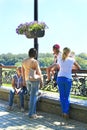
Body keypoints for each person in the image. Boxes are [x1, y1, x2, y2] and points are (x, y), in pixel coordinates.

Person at [57, 47, 81, 119]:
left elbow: (59, 67)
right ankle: (65, 112)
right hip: (68, 79)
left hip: (60, 78)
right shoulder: (72, 60)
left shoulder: (60, 59)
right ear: (69, 53)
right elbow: (79, 67)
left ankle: (63, 112)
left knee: (62, 96)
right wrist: (71, 67)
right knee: (66, 97)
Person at [22, 48, 43, 119]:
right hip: (34, 80)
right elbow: (39, 72)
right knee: (33, 97)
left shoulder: (24, 61)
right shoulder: (34, 61)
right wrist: (41, 81)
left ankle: (33, 113)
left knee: (32, 96)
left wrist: (24, 81)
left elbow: (23, 72)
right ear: (35, 54)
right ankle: (31, 114)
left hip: (27, 79)